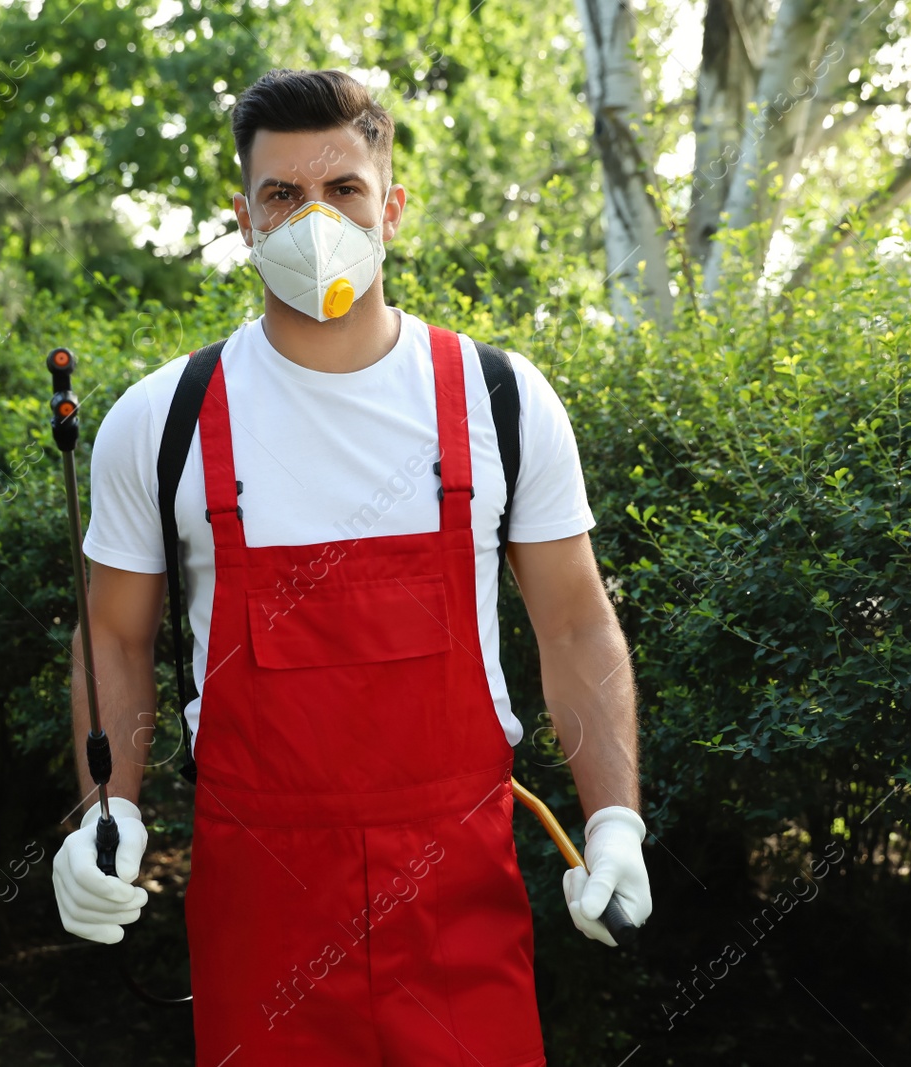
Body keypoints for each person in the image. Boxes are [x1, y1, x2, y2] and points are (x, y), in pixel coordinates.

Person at [51, 67, 651, 1067]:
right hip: (261, 904)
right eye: (283, 196)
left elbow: (576, 624)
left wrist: (616, 817)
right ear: (242, 217)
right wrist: (105, 806)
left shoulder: (499, 400)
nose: (313, 221)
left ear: (392, 208)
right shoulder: (161, 422)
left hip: (459, 895)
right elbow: (113, 632)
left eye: (343, 192)